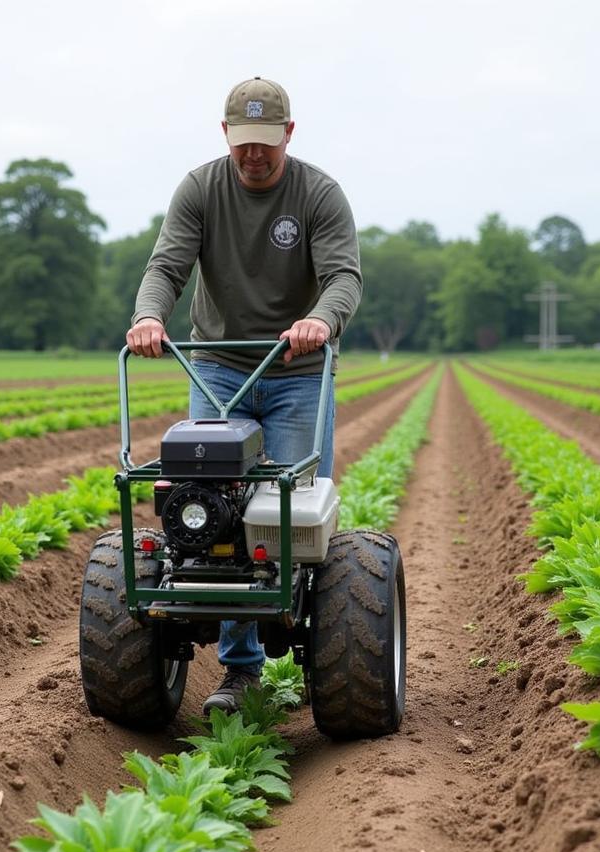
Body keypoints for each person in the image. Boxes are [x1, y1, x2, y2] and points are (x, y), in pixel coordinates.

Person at [126, 76, 362, 714]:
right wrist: (150, 317)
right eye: (242, 144)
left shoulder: (319, 194)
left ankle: (316, 636)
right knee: (216, 514)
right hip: (219, 371)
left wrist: (322, 320)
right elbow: (167, 267)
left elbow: (344, 277)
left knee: (285, 513)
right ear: (225, 135)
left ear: (287, 134)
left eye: (266, 144)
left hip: (296, 371)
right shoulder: (201, 189)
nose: (254, 156)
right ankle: (241, 672)